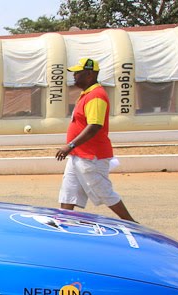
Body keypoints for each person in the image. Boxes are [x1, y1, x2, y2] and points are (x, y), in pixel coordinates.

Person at [55, 58, 135, 221]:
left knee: (104, 192)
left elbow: (94, 126)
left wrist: (69, 145)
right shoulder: (86, 95)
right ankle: (64, 224)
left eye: (78, 73)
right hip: (78, 155)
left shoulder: (96, 96)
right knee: (68, 192)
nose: (75, 76)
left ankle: (132, 223)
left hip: (91, 157)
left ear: (90, 74)